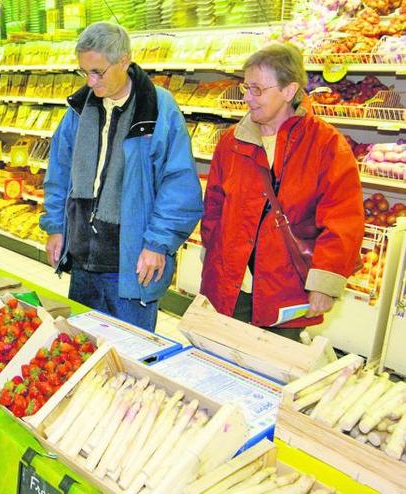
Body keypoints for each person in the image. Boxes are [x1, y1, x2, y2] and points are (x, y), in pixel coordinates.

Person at [40, 22, 203, 332]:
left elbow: (179, 186)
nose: (90, 82)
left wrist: (158, 243)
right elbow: (58, 171)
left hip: (131, 262)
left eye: (98, 72)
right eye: (83, 72)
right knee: (83, 349)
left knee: (130, 355)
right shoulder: (79, 109)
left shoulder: (157, 108)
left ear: (125, 60)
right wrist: (55, 226)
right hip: (83, 258)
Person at [200, 43, 364, 338]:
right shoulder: (232, 141)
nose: (247, 98)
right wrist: (211, 255)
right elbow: (214, 204)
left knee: (270, 373)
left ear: (289, 91)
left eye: (257, 90)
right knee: (220, 365)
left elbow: (343, 221)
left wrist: (324, 284)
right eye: (245, 88)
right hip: (230, 284)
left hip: (286, 290)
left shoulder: (325, 145)